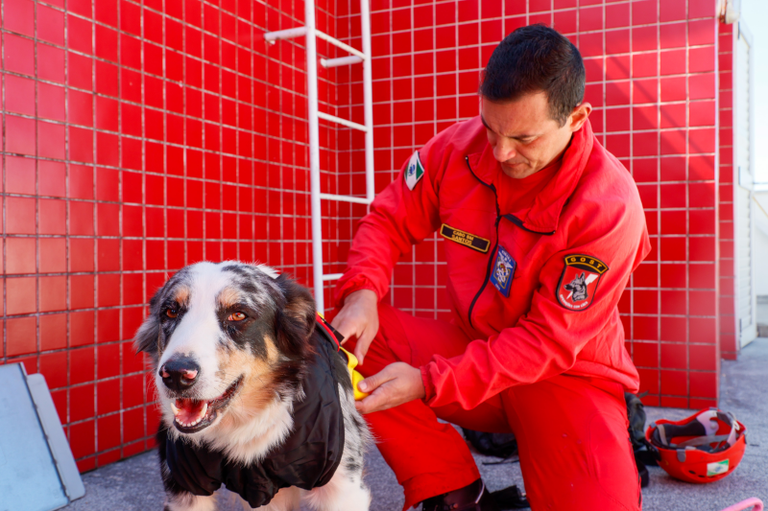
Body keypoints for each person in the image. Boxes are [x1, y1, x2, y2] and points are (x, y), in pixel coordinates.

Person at [330, 24, 651, 511]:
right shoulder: (454, 150)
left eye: (523, 138)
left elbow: (546, 342)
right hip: (474, 357)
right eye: (491, 128)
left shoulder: (609, 206)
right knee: (345, 344)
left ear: (578, 117)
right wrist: (362, 292)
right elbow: (390, 219)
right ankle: (453, 491)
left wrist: (430, 381)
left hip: (565, 378)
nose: (501, 153)